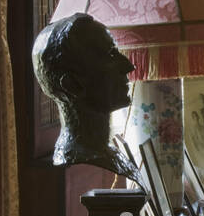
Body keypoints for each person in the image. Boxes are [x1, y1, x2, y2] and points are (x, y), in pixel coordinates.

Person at [32, 13, 144, 183]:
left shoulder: (108, 154)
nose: (129, 66)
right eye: (111, 55)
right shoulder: (82, 166)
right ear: (73, 85)